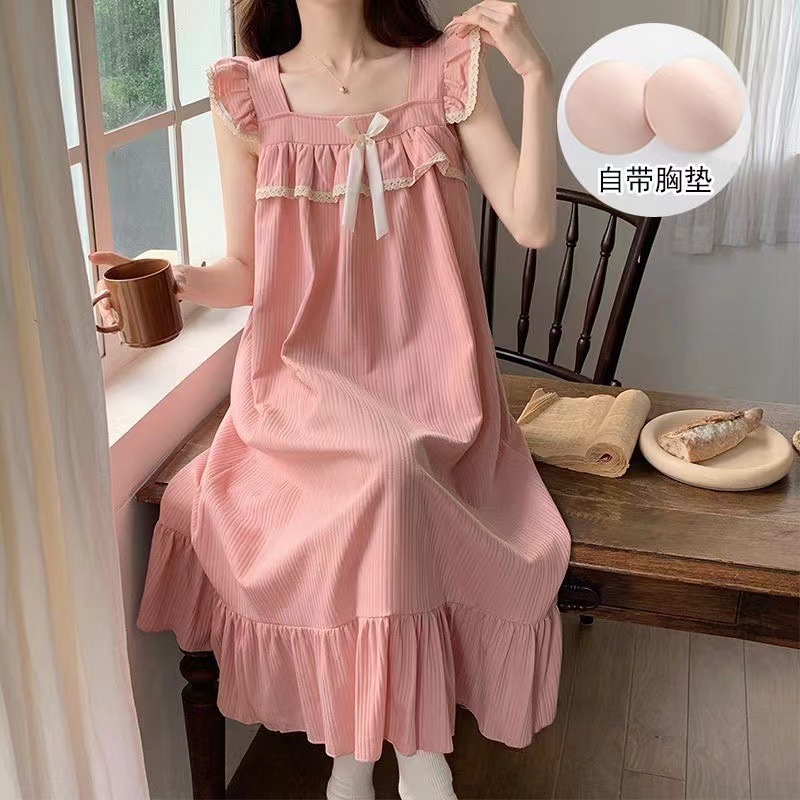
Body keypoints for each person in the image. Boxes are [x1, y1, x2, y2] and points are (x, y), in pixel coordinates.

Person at [92, 2, 570, 798]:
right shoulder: (247, 96)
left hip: (433, 382)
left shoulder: (445, 73)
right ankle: (397, 753)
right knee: (380, 473)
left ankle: (383, 755)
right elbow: (247, 272)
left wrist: (536, 74)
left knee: (393, 467)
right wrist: (175, 279)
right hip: (302, 382)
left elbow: (531, 226)